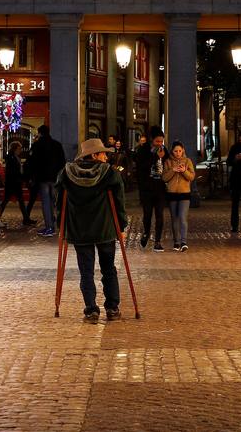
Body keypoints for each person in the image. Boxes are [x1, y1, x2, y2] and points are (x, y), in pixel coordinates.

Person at [55, 138, 129, 322]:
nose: (106, 157)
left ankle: (91, 310)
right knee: (108, 269)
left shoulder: (66, 173)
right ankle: (112, 308)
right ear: (94, 155)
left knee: (86, 271)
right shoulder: (110, 174)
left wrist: (61, 226)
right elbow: (119, 203)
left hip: (79, 230)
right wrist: (121, 226)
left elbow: (59, 203)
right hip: (105, 229)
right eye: (103, 153)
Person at [26, 125, 65, 236]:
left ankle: (49, 227)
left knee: (46, 202)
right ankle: (61, 225)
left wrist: (32, 177)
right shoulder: (57, 145)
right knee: (56, 202)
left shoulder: (37, 145)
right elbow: (62, 161)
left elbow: (31, 162)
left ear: (40, 133)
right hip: (55, 178)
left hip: (42, 178)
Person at [133, 129, 168, 251]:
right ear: (151, 140)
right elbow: (141, 168)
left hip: (160, 189)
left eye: (161, 141)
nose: (160, 143)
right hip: (147, 189)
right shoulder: (143, 150)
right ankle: (146, 233)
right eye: (157, 141)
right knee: (147, 215)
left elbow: (167, 163)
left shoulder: (164, 150)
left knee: (160, 215)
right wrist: (155, 157)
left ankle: (157, 241)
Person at [162, 141, 196, 251]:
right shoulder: (168, 162)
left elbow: (191, 177)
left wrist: (184, 171)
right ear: (172, 151)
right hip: (172, 193)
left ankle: (183, 242)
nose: (178, 153)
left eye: (180, 151)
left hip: (184, 193)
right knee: (174, 219)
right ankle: (176, 242)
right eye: (175, 151)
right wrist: (173, 170)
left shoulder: (187, 161)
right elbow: (164, 178)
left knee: (182, 217)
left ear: (183, 151)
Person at [1, 141, 31, 226]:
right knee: (6, 200)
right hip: (12, 182)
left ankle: (26, 219)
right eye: (19, 148)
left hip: (15, 182)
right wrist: (20, 177)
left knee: (20, 201)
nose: (20, 150)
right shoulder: (11, 157)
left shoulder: (15, 157)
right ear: (15, 149)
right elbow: (12, 171)